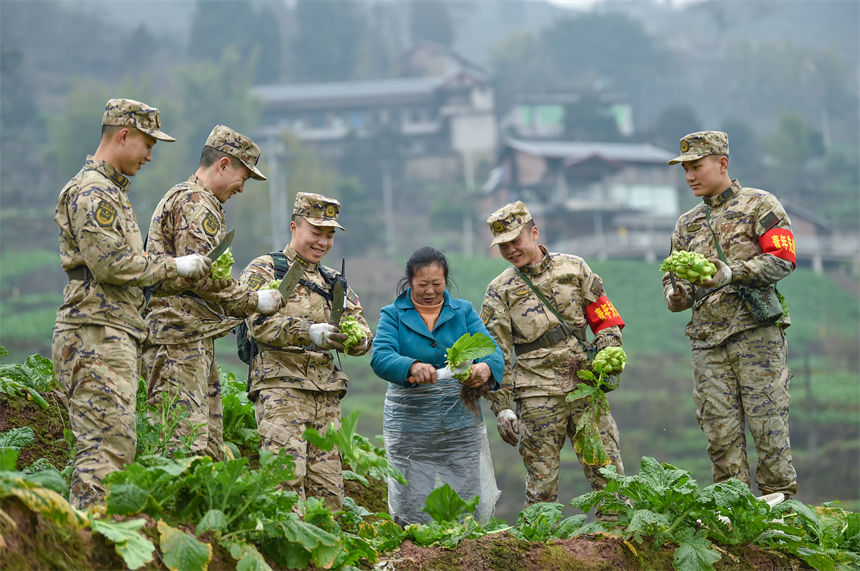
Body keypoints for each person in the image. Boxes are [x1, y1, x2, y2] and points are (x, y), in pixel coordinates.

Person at [51, 98, 212, 509]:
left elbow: (127, 269)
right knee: (105, 452)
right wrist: (173, 265)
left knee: (115, 447)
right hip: (94, 333)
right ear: (124, 135)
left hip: (111, 330)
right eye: (147, 144)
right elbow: (110, 264)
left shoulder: (111, 192)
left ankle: (94, 532)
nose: (150, 156)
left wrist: (173, 275)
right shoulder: (94, 192)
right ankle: (91, 534)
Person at [663, 130, 798, 498]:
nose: (690, 176)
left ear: (722, 163)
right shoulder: (686, 224)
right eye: (685, 169)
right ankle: (732, 513)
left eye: (696, 166)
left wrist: (732, 273)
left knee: (769, 427)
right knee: (719, 434)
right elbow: (674, 279)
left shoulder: (760, 205)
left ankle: (782, 512)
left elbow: (783, 259)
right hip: (707, 343)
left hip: (756, 335)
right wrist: (675, 295)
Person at [141, 125, 284, 459]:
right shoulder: (196, 204)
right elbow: (204, 278)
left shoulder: (194, 199)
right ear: (223, 165)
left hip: (190, 335)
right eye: (242, 178)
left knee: (206, 446)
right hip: (176, 340)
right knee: (182, 447)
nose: (241, 189)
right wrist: (255, 301)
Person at [480, 201, 626, 508]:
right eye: (503, 246)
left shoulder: (574, 268)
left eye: (515, 241)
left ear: (534, 233)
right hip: (536, 394)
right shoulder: (499, 290)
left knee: (607, 473)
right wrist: (502, 407)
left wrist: (610, 352)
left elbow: (604, 317)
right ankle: (540, 536)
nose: (510, 250)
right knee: (541, 484)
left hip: (585, 385)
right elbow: (496, 352)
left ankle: (618, 531)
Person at [239, 192, 372, 510]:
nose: (323, 242)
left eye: (329, 235)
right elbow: (257, 324)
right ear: (294, 227)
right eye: (316, 232)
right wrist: (309, 333)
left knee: (329, 497)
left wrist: (357, 341)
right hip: (281, 392)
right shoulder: (267, 270)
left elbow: (363, 330)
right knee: (284, 489)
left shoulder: (333, 281)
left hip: (326, 399)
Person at [370, 247, 505, 525]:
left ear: (446, 280)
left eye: (436, 283)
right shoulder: (392, 315)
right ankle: (413, 546)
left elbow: (490, 350)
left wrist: (485, 368)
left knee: (465, 498)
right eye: (422, 284)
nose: (430, 291)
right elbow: (381, 356)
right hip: (411, 424)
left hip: (459, 419)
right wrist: (411, 367)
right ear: (410, 281)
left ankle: (465, 545)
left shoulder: (463, 312)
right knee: (412, 500)